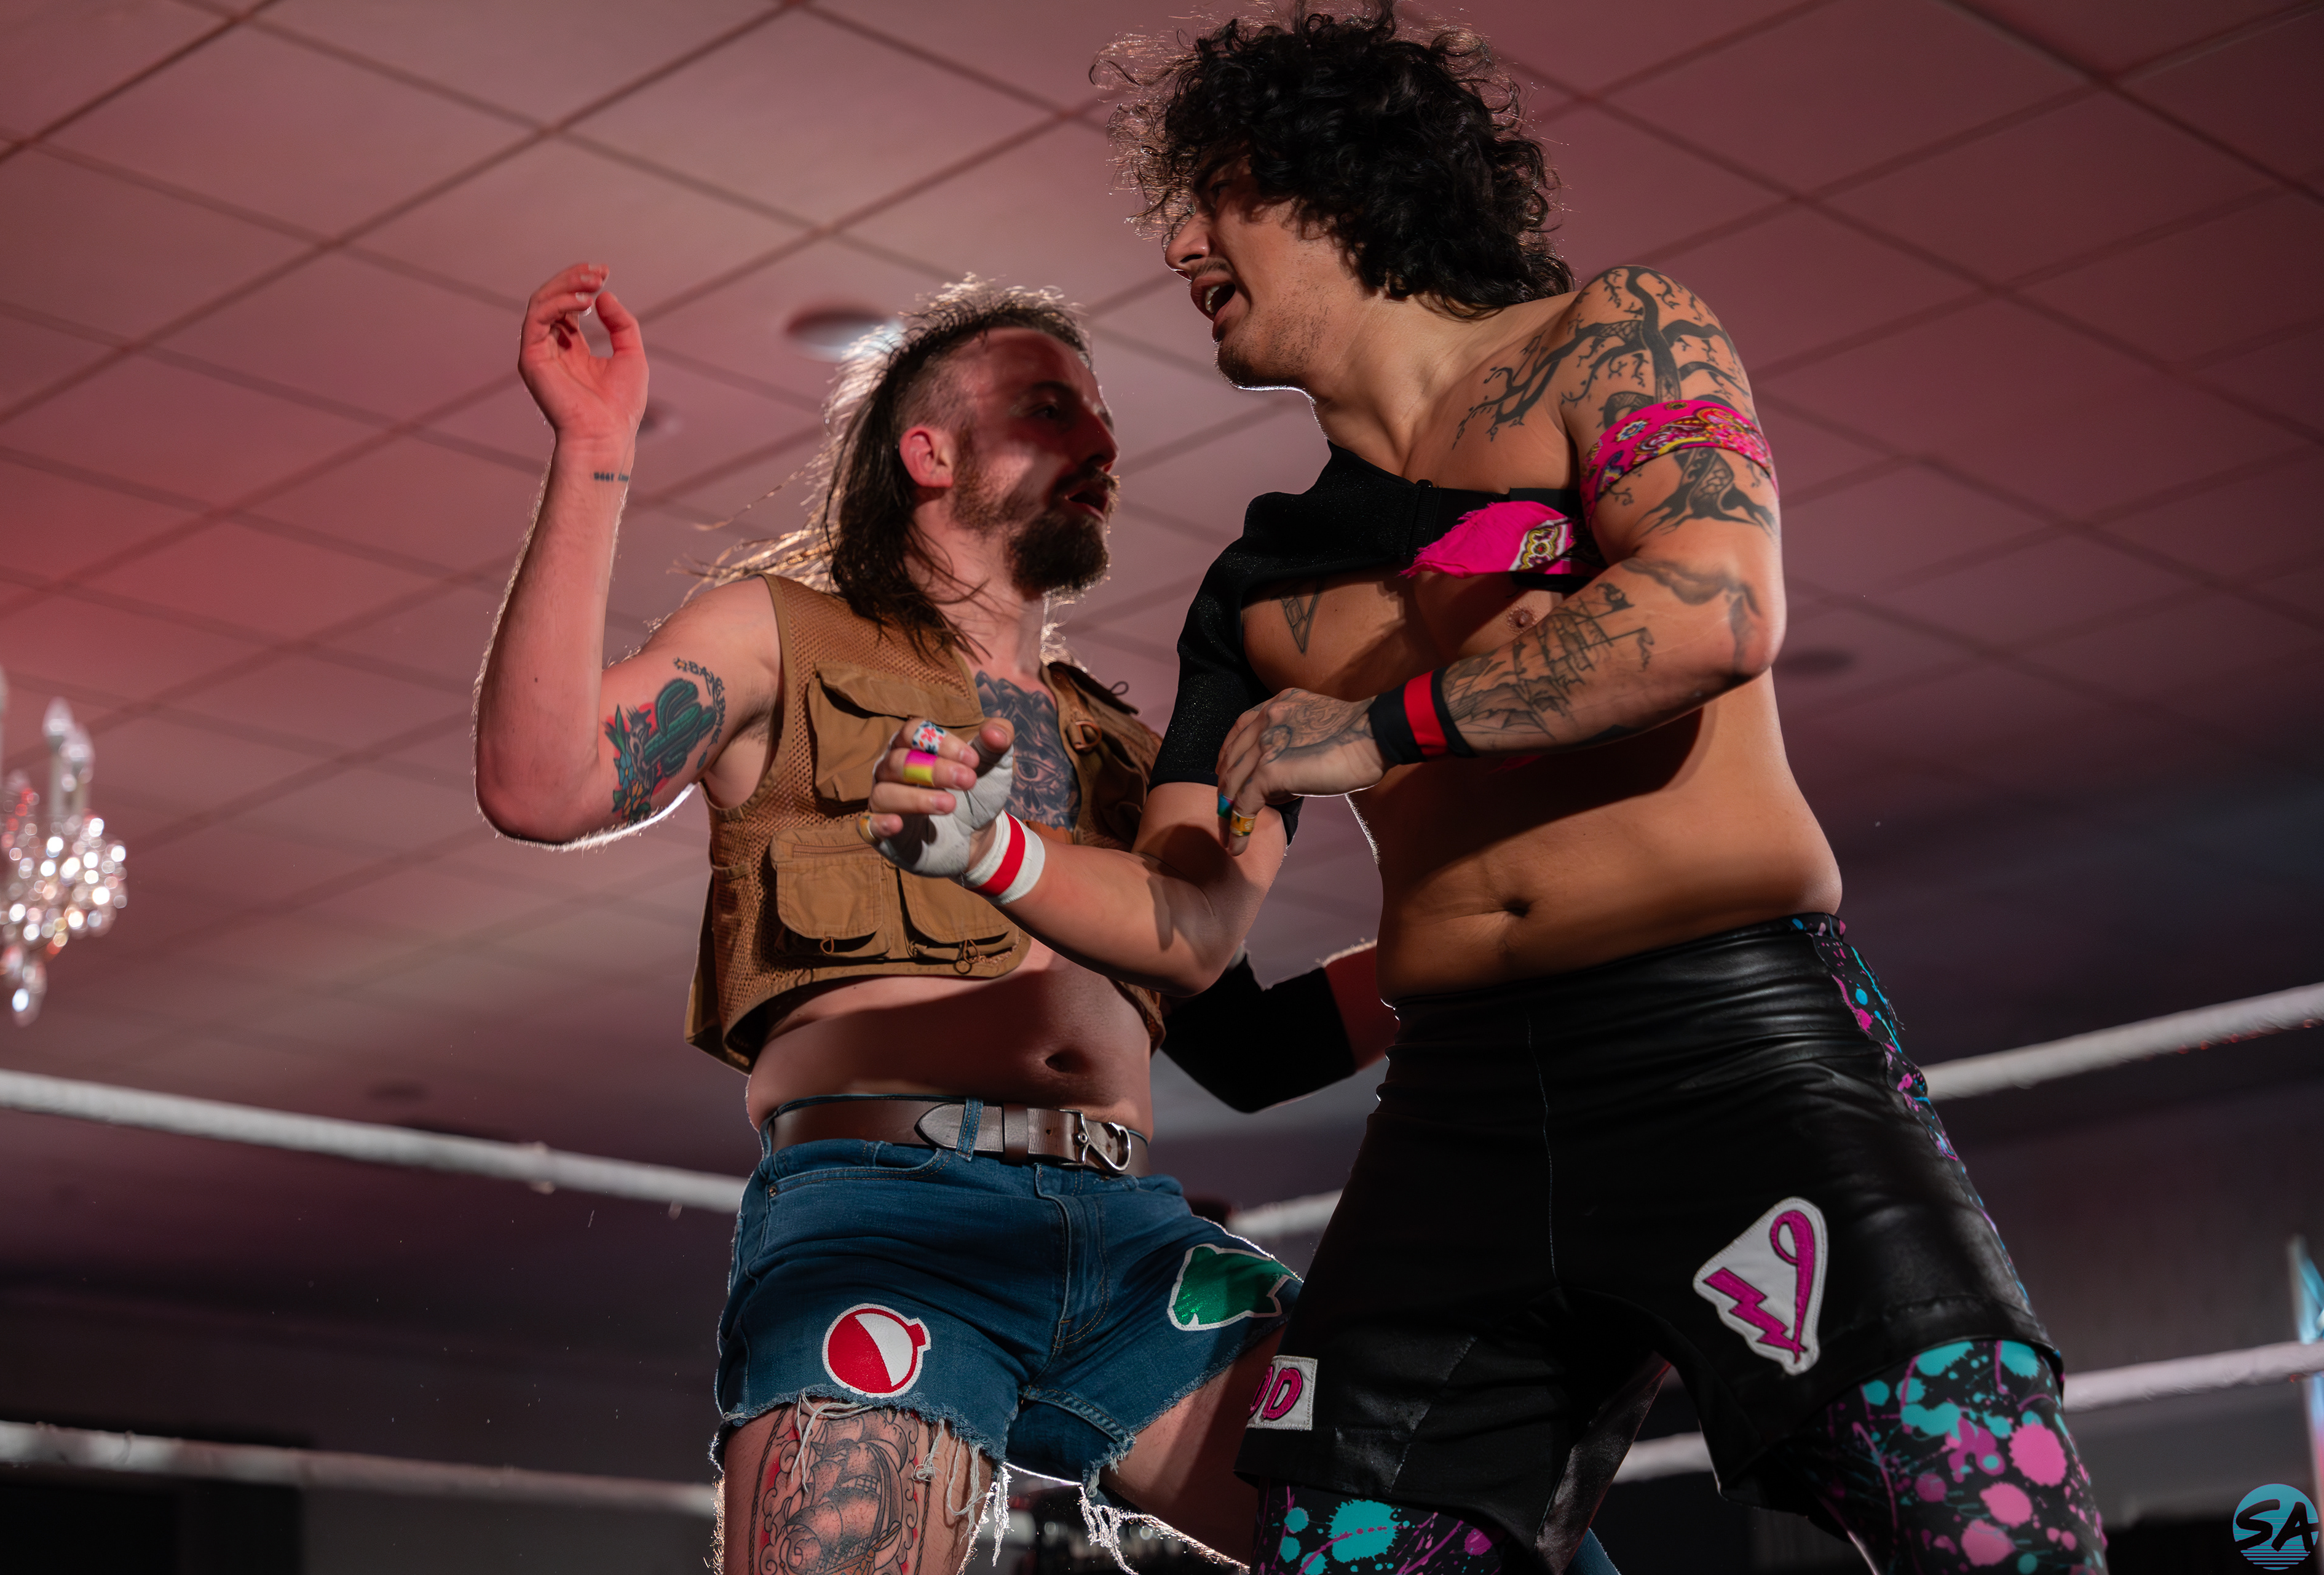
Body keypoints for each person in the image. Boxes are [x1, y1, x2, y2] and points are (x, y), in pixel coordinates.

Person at [859, 7, 2108, 1574]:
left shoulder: (1611, 337)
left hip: (1725, 1042)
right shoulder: (1259, 577)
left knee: (1990, 1523)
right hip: (1460, 1108)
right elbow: (1195, 933)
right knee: (1342, 1551)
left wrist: (1385, 727)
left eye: (1219, 193)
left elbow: (1715, 611)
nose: (1182, 243)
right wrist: (998, 855)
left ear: (1340, 183)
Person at [475, 267, 1400, 1575]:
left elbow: (1250, 1049)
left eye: (1102, 416)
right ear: (930, 452)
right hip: (888, 1215)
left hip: (1134, 1239)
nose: (1100, 441)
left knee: (1437, 1517)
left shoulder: (1130, 748)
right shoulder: (782, 637)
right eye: (1050, 409)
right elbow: (542, 782)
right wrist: (593, 450)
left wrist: (1487, 948)